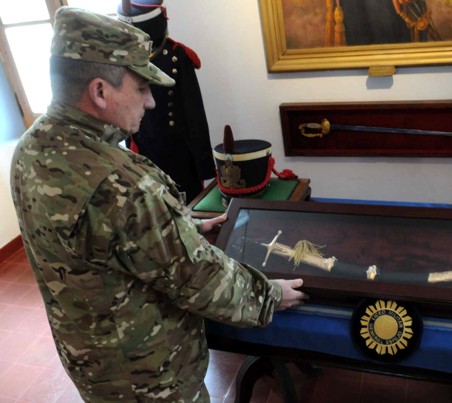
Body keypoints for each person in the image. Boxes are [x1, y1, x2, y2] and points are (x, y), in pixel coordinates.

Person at [9, 6, 307, 402]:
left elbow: (95, 240)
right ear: (100, 91)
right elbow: (200, 280)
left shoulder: (32, 148)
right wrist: (270, 296)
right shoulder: (124, 182)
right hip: (152, 379)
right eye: (141, 88)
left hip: (93, 364)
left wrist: (183, 227)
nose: (150, 102)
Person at [117, 0, 215, 202]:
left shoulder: (177, 56)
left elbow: (194, 113)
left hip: (178, 153)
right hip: (142, 152)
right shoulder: (120, 60)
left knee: (188, 205)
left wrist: (203, 165)